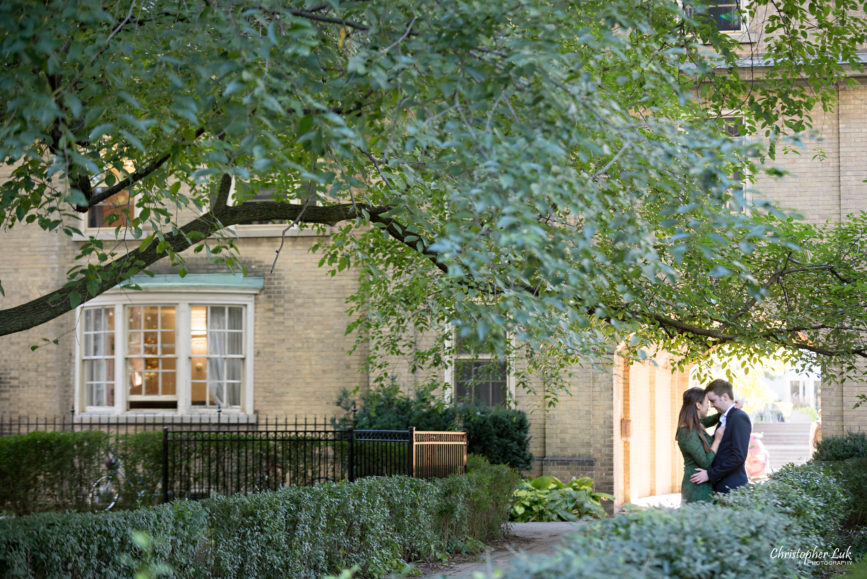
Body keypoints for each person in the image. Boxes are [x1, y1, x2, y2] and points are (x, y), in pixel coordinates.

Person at [690, 378, 752, 494]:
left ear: (725, 396)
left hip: (732, 487)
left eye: (713, 401)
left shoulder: (739, 417)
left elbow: (738, 456)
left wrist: (710, 474)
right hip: (720, 486)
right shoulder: (724, 417)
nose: (712, 406)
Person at [677, 387, 726, 503]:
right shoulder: (687, 432)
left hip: (702, 483)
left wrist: (728, 409)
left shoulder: (695, 425)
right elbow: (706, 462)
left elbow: (710, 420)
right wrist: (717, 440)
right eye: (707, 403)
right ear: (698, 405)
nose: (709, 406)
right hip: (696, 487)